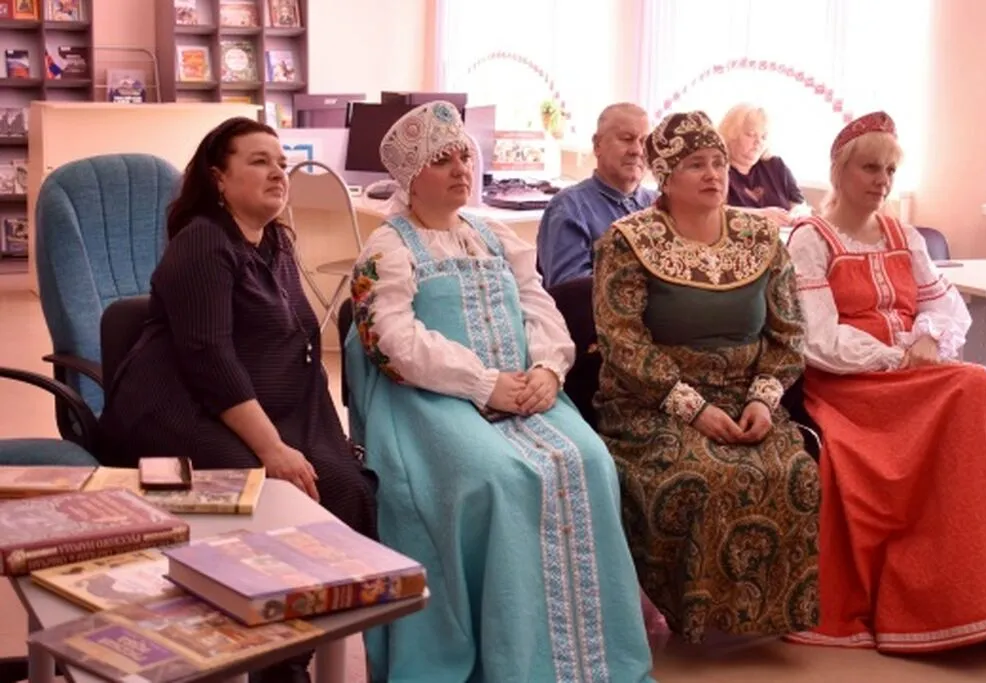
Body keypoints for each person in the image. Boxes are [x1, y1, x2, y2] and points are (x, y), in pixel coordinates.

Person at [344, 100, 654, 683]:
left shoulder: (495, 235)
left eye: (464, 155)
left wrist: (549, 370)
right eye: (442, 160)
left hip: (526, 389)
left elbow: (540, 306)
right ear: (411, 177)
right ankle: (513, 661)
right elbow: (394, 342)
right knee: (496, 477)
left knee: (591, 460)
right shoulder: (388, 249)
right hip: (429, 400)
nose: (461, 168)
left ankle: (589, 659)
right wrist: (485, 384)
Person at [100, 117, 378, 683]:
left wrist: (325, 441)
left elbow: (300, 348)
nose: (278, 172)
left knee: (344, 486)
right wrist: (274, 449)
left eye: (281, 162)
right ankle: (258, 656)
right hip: (176, 409)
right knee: (269, 490)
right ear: (218, 178)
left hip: (254, 408)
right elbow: (209, 360)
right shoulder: (204, 241)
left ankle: (285, 657)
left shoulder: (276, 242)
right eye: (258, 161)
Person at [786, 111, 986, 653]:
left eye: (890, 170)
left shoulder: (904, 235)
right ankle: (952, 603)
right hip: (850, 386)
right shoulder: (810, 240)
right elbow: (818, 338)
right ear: (840, 169)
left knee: (979, 391)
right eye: (870, 168)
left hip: (912, 376)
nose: (882, 181)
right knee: (976, 388)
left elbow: (945, 305)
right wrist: (896, 357)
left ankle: (980, 599)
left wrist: (929, 339)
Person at [592, 110, 820, 646]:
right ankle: (696, 619)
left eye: (718, 162)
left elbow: (788, 333)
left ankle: (765, 616)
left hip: (747, 397)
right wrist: (693, 409)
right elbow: (623, 342)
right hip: (652, 402)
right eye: (696, 164)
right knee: (703, 476)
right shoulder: (628, 242)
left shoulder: (761, 237)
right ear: (666, 176)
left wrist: (763, 400)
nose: (714, 174)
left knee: (793, 470)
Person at [536, 102, 657, 288]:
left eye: (644, 142)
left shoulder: (661, 204)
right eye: (626, 139)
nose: (637, 150)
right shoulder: (569, 207)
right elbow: (570, 292)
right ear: (597, 145)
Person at [718, 103, 810, 225]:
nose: (758, 142)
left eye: (764, 137)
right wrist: (760, 215)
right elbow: (712, 213)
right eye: (751, 135)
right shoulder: (717, 169)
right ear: (731, 135)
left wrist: (796, 215)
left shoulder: (776, 166)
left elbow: (800, 205)